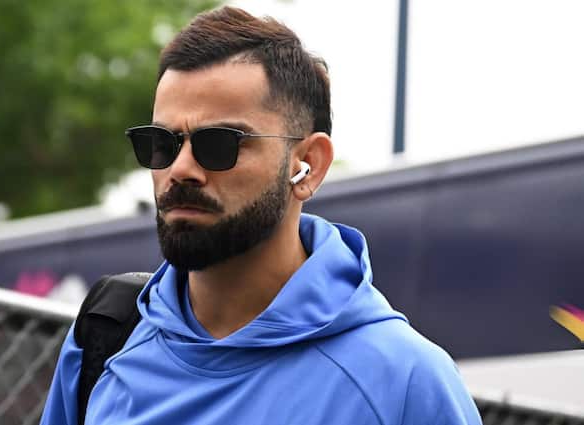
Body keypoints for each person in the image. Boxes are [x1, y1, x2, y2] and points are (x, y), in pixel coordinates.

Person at [41, 6, 482, 425]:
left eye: (220, 144)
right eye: (161, 144)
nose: (180, 169)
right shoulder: (106, 338)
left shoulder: (403, 382)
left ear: (308, 165)